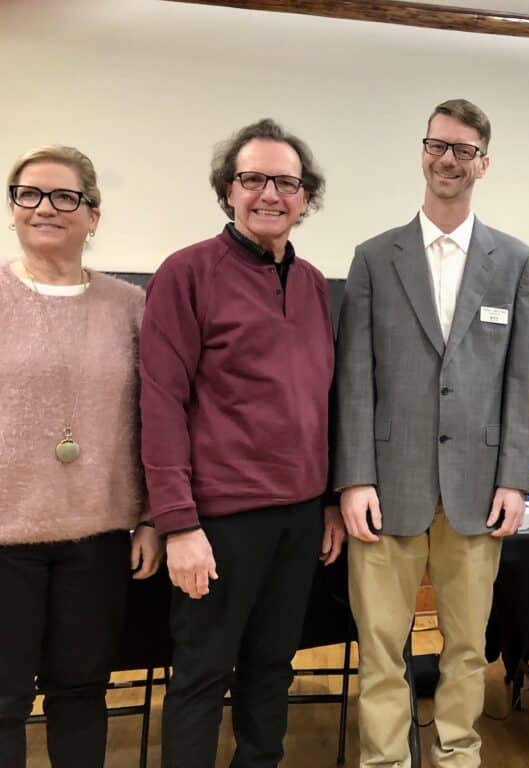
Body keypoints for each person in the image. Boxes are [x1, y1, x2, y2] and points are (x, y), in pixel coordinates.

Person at [334, 98, 529, 767]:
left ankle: (458, 753)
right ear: (423, 152)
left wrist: (515, 478)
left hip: (479, 490)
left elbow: (519, 381)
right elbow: (355, 379)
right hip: (386, 487)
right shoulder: (374, 258)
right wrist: (354, 478)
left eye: (463, 149)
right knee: (382, 647)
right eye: (437, 145)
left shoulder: (513, 260)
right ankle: (385, 760)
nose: (448, 159)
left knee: (466, 646)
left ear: (484, 162)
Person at [139, 119, 343, 768]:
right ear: (228, 190)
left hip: (301, 515)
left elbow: (324, 399)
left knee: (272, 669)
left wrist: (331, 502)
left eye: (286, 182)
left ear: (306, 196)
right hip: (220, 519)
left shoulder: (313, 284)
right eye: (253, 179)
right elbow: (161, 402)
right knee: (202, 674)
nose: (270, 194)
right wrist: (178, 525)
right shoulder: (185, 273)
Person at [0, 145, 163, 768]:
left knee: (81, 691)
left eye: (65, 197)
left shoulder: (130, 305)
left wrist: (148, 515)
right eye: (29, 194)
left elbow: (153, 418)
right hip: (7, 536)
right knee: (4, 698)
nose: (46, 208)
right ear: (13, 209)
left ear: (93, 216)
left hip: (98, 536)